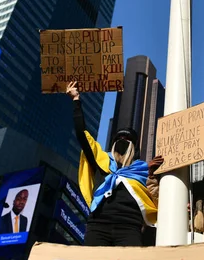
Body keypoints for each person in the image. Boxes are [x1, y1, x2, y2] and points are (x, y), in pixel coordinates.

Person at [66, 81, 164, 247]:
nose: (122, 142)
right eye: (119, 139)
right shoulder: (101, 160)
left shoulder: (143, 169)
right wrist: (76, 100)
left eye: (127, 140)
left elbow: (156, 197)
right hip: (98, 224)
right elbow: (82, 134)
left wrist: (152, 173)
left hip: (130, 226)